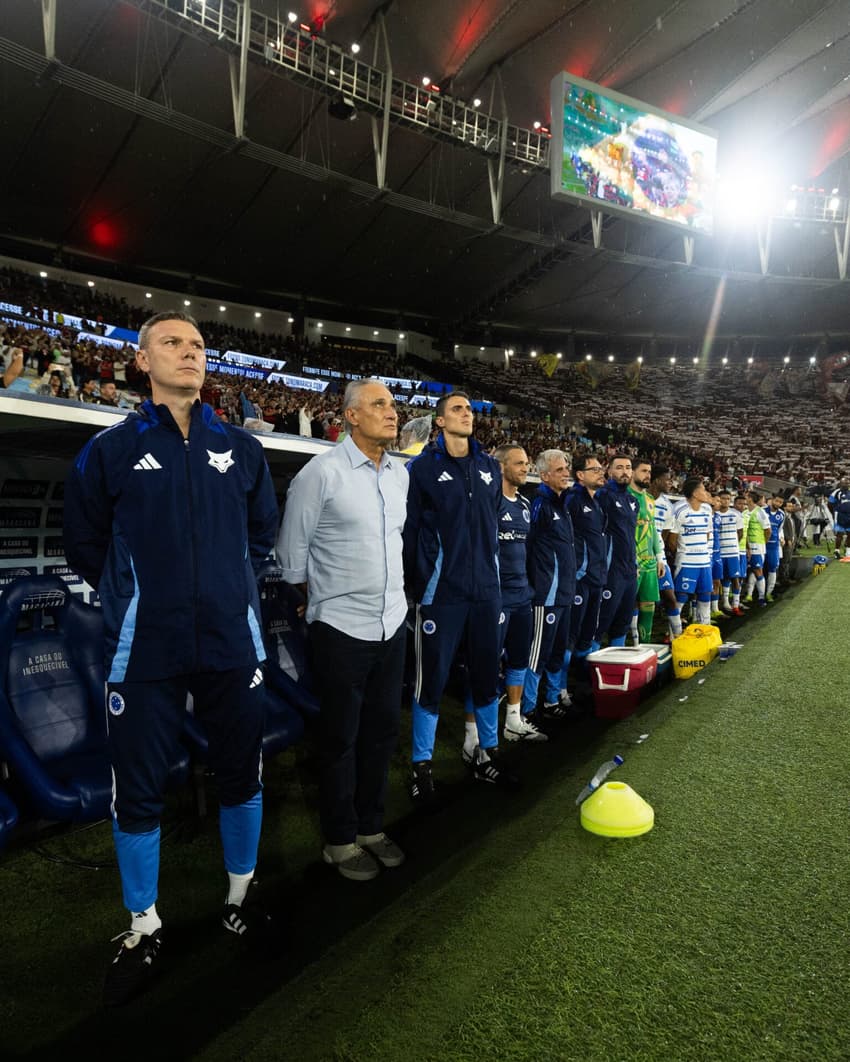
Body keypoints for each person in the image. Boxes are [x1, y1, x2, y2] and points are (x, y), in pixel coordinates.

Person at [63, 311, 279, 1007]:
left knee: (242, 769)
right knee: (140, 789)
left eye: (197, 345)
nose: (189, 352)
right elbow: (84, 543)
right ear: (141, 361)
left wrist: (226, 595)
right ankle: (143, 925)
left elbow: (260, 538)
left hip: (230, 644)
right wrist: (137, 604)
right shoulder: (108, 451)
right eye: (172, 343)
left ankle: (240, 894)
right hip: (144, 649)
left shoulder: (242, 449)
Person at [276, 378, 409, 881]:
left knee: (381, 733)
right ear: (351, 416)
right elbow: (291, 559)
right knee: (340, 739)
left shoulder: (400, 475)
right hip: (340, 629)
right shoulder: (320, 474)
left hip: (391, 623)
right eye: (379, 405)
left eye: (393, 405)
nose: (391, 413)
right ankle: (339, 839)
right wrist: (321, 602)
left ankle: (372, 827)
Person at [404, 391, 512, 804]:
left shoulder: (488, 468)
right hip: (440, 593)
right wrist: (416, 586)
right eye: (457, 410)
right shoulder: (422, 469)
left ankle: (488, 754)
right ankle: (421, 766)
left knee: (486, 675)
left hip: (486, 593)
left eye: (469, 409)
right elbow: (411, 533)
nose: (467, 414)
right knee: (429, 680)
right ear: (440, 422)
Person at [521, 449, 577, 723]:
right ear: (543, 475)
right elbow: (527, 548)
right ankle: (528, 709)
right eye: (559, 470)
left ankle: (551, 698)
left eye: (566, 469)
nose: (566, 473)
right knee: (538, 654)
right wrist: (533, 586)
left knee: (558, 651)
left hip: (565, 592)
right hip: (546, 595)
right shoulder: (539, 505)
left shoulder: (561, 503)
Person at [562, 453, 607, 705]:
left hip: (596, 579)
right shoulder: (572, 501)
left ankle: (580, 684)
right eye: (595, 469)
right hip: (579, 579)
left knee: (587, 634)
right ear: (580, 475)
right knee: (570, 635)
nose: (601, 473)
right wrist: (577, 571)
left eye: (601, 468)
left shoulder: (597, 502)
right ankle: (557, 690)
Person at [595, 454, 638, 647]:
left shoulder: (632, 501)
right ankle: (585, 666)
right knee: (601, 620)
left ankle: (615, 663)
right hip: (611, 570)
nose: (625, 472)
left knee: (623, 620)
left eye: (628, 467)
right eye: (619, 467)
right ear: (609, 471)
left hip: (629, 570)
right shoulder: (603, 496)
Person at [627, 457, 666, 643]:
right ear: (632, 472)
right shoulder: (624, 496)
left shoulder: (650, 499)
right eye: (643, 471)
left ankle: (644, 646)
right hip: (630, 561)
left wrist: (659, 557)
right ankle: (626, 644)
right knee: (625, 605)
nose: (647, 475)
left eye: (649, 472)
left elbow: (652, 529)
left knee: (648, 605)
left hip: (649, 560)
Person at [667, 477, 714, 626]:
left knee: (705, 595)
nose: (706, 493)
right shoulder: (680, 510)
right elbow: (672, 540)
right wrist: (683, 554)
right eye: (703, 489)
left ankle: (704, 629)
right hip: (686, 562)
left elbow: (707, 534)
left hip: (704, 562)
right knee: (681, 597)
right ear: (694, 493)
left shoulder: (707, 510)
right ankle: (673, 633)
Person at [647, 464, 683, 639]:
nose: (671, 483)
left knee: (670, 598)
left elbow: (664, 534)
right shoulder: (640, 498)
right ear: (656, 480)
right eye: (668, 479)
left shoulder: (668, 506)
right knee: (638, 602)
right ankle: (637, 641)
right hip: (639, 557)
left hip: (659, 558)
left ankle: (677, 637)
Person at [715, 489, 745, 615]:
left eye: (728, 499)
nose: (726, 501)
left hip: (733, 552)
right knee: (722, 579)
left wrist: (733, 544)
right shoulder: (715, 515)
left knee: (735, 578)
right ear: (719, 499)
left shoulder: (736, 514)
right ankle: (725, 603)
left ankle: (736, 605)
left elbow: (740, 532)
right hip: (720, 552)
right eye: (723, 498)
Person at [743, 490, 771, 605]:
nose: (745, 498)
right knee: (746, 572)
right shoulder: (744, 512)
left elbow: (768, 531)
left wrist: (763, 543)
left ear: (750, 498)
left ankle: (761, 597)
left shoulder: (760, 512)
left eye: (746, 496)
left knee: (758, 571)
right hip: (744, 546)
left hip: (757, 547)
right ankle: (747, 595)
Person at [763, 493, 786, 600]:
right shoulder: (762, 511)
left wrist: (781, 538)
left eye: (781, 502)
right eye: (777, 501)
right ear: (772, 500)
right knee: (757, 569)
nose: (778, 504)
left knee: (772, 569)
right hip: (761, 544)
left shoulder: (781, 514)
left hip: (773, 546)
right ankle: (755, 594)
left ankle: (769, 593)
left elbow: (780, 529)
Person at [827, 476, 850, 561]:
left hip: (849, 516)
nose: (847, 484)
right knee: (839, 534)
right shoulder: (836, 492)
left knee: (849, 534)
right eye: (845, 483)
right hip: (840, 516)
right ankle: (837, 552)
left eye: (848, 483)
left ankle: (848, 553)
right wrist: (834, 512)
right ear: (841, 483)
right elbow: (829, 504)